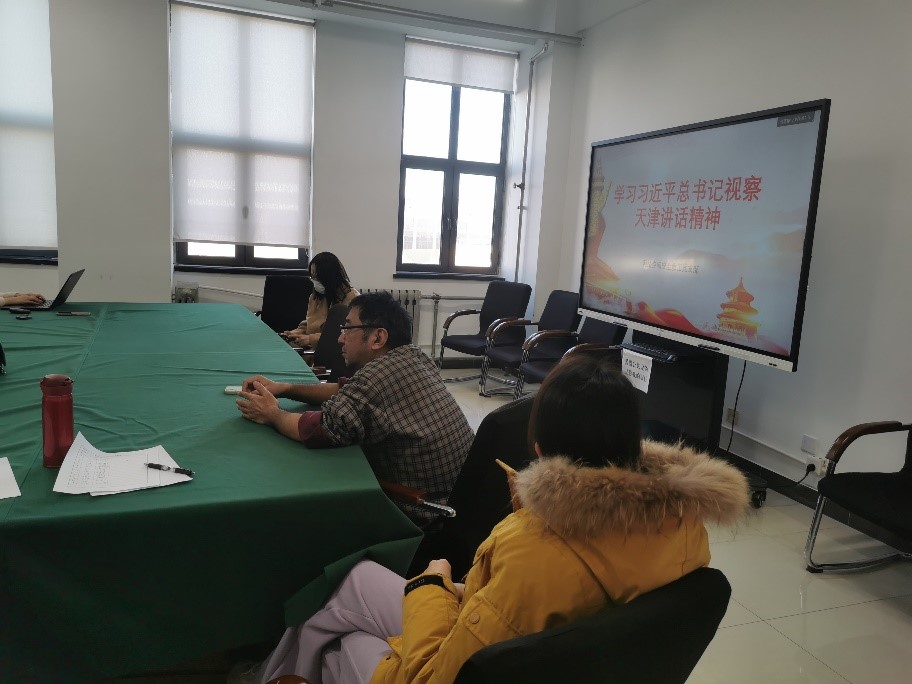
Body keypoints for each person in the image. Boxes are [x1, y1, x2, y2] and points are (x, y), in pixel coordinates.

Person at [250, 353, 750, 684]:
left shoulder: (533, 545)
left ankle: (282, 674)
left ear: (539, 450)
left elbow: (442, 674)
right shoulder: (684, 522)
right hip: (558, 659)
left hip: (485, 662)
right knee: (357, 582)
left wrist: (431, 584)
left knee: (344, 641)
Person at [237, 291, 474, 526]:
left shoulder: (375, 379)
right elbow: (346, 389)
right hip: (462, 501)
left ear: (378, 338)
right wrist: (285, 388)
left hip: (422, 514)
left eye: (348, 329)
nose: (340, 339)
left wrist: (272, 413)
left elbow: (317, 430)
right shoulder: (414, 356)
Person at [283, 252, 359, 349]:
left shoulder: (352, 298)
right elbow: (309, 324)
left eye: (317, 277)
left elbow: (343, 333)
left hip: (334, 350)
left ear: (330, 277)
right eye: (312, 276)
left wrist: (310, 339)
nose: (314, 281)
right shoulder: (316, 297)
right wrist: (294, 333)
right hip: (312, 347)